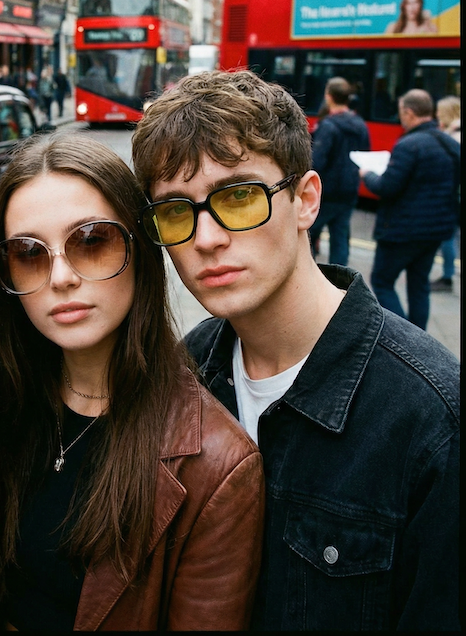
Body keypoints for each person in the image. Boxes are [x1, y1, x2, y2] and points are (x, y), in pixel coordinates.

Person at [131, 70, 460, 630]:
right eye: (176, 212)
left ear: (306, 200)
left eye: (238, 197)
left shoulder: (431, 420)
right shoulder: (188, 370)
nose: (207, 238)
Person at [0, 131, 265, 630]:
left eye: (91, 242)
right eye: (29, 253)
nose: (62, 276)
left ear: (139, 249)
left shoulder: (214, 467)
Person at [360, 88, 460, 329]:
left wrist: (368, 174)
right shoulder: (448, 142)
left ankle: (401, 336)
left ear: (409, 112)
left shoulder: (409, 144)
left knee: (382, 281)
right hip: (436, 229)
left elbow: (388, 186)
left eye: (401, 112)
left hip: (402, 230)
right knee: (419, 284)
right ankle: (420, 337)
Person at [308, 77, 370, 266]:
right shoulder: (360, 124)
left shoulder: (328, 126)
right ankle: (339, 279)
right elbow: (365, 155)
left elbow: (317, 160)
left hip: (327, 191)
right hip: (349, 189)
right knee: (340, 238)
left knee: (309, 235)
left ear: (329, 96)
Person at [430, 95, 461, 291]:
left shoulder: (454, 136)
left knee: (448, 235)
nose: (436, 115)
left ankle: (448, 276)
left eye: (440, 111)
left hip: (452, 192)